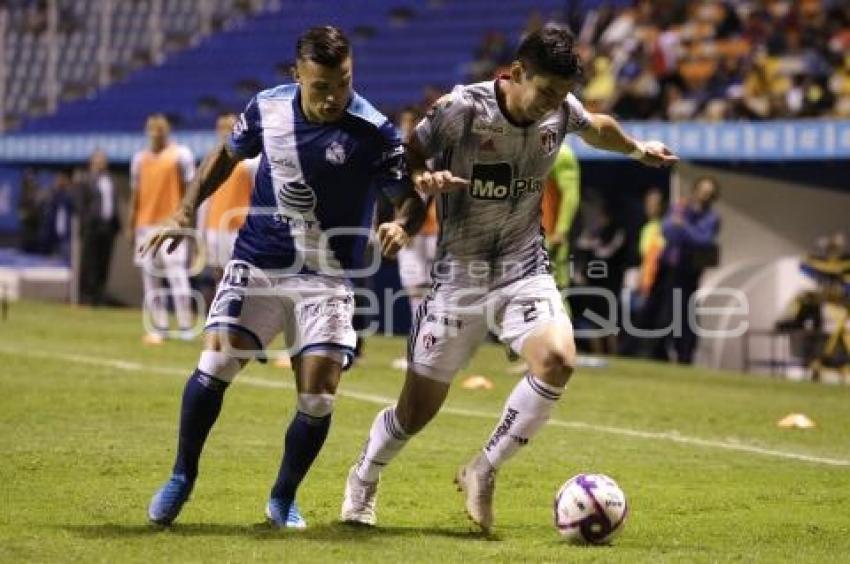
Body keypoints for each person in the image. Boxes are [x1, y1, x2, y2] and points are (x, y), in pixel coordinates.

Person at [341, 23, 678, 532]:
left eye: (562, 94)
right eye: (545, 91)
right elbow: (406, 154)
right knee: (415, 412)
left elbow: (598, 125)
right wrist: (412, 193)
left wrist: (636, 149)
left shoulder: (560, 110)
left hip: (523, 268)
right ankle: (364, 476)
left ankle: (483, 468)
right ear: (517, 72)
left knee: (559, 360)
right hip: (459, 277)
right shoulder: (463, 109)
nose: (553, 104)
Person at [141, 26, 424, 529]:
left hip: (327, 278)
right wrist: (186, 210)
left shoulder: (374, 131)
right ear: (297, 76)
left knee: (317, 396)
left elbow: (409, 201)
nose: (334, 97)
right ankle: (182, 475)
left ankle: (282, 497)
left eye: (343, 82)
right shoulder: (266, 108)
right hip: (260, 264)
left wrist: (401, 226)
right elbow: (226, 157)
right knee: (216, 363)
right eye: (321, 87)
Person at [129, 114, 197, 344]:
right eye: (151, 130)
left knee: (177, 276)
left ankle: (186, 324)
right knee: (150, 279)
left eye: (159, 131)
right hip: (144, 225)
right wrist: (132, 224)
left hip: (172, 224)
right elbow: (135, 195)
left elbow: (191, 190)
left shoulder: (181, 155)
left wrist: (187, 221)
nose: (155, 134)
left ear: (166, 132)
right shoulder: (139, 159)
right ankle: (159, 326)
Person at [648, 177, 721, 363]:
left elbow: (703, 240)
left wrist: (684, 227)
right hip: (669, 268)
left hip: (689, 271)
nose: (704, 196)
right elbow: (667, 231)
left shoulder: (711, 217)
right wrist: (684, 228)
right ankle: (657, 350)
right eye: (702, 191)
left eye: (709, 194)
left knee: (686, 313)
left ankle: (685, 353)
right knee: (662, 311)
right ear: (695, 191)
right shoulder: (679, 208)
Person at [78, 150, 121, 306]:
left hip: (108, 226)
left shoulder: (111, 180)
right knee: (90, 262)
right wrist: (86, 222)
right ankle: (87, 296)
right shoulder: (86, 179)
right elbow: (81, 205)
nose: (102, 162)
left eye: (104, 159)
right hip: (92, 226)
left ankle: (99, 294)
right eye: (99, 159)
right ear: (92, 161)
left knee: (104, 261)